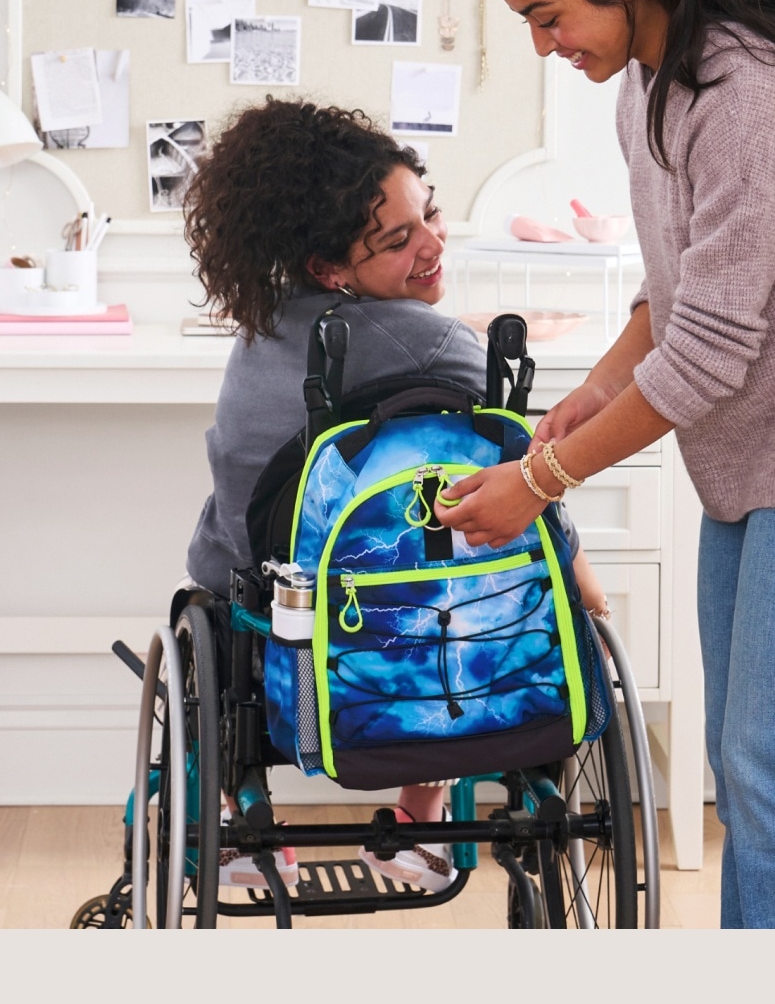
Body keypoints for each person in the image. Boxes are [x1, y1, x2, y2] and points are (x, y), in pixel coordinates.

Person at [440, 0, 775, 928]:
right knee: (745, 754)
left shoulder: (749, 91)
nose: (543, 45)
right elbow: (682, 288)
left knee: (774, 754)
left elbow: (710, 350)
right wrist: (598, 385)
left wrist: (539, 485)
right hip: (752, 454)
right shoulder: (649, 83)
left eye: (549, 16)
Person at [181, 98, 606, 894]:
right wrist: (576, 564)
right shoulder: (434, 341)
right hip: (422, 625)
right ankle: (423, 813)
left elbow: (237, 475)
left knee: (221, 585)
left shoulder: (260, 332)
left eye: (429, 216)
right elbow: (508, 468)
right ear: (330, 269)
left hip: (273, 611)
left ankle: (236, 812)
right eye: (397, 239)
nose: (432, 244)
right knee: (470, 560)